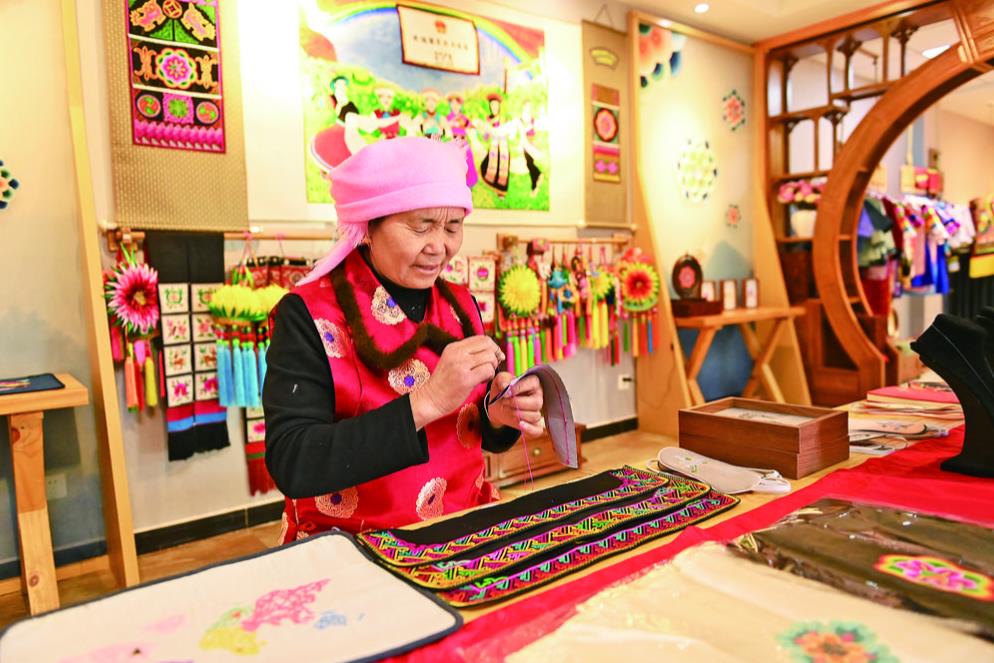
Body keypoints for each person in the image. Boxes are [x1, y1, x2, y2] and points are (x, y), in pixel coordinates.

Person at [264, 137, 544, 542]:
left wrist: (497, 414)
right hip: (353, 545)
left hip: (462, 532)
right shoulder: (308, 313)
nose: (440, 246)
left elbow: (470, 431)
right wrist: (426, 401)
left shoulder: (461, 303)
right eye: (421, 226)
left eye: (453, 227)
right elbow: (293, 460)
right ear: (368, 226)